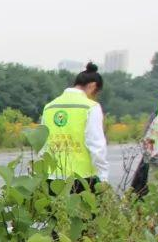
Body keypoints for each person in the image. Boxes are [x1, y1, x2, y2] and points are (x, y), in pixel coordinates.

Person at [40, 62, 108, 193]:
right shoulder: (91, 107)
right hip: (82, 179)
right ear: (93, 86)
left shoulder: (49, 107)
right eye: (96, 93)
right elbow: (96, 145)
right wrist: (103, 177)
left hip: (52, 179)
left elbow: (42, 145)